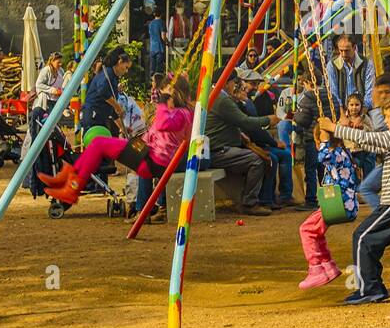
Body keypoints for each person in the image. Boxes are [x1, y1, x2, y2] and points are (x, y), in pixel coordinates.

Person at [323, 92, 390, 305]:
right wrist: (345, 137)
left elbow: (371, 138)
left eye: (388, 116)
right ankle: (374, 287)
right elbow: (372, 145)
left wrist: (334, 128)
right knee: (370, 242)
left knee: (362, 237)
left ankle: (369, 289)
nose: (385, 121)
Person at [205, 68, 279, 216]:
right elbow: (245, 121)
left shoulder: (218, 96)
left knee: (266, 157)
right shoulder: (221, 99)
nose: (236, 85)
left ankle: (262, 199)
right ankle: (249, 202)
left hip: (220, 146)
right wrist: (268, 120)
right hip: (219, 150)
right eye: (234, 82)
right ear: (227, 83)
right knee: (257, 160)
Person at [296, 123, 359, 289]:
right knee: (316, 232)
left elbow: (323, 158)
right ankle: (328, 266)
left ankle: (316, 269)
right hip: (343, 203)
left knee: (306, 229)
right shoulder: (343, 151)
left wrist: (323, 140)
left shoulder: (335, 153)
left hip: (339, 203)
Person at [140, 74, 193, 222]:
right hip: (173, 154)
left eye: (167, 90)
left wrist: (163, 106)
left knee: (146, 166)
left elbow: (162, 127)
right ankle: (150, 207)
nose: (163, 94)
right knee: (147, 162)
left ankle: (144, 210)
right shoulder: (178, 110)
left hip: (178, 156)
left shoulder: (180, 113)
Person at [356, 73, 390, 213]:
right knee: (368, 189)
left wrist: (374, 107)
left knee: (367, 189)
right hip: (387, 161)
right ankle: (387, 218)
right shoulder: (382, 109)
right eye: (380, 92)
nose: (383, 96)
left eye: (387, 92)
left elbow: (380, 129)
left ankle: (386, 218)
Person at [290, 73, 321, 210]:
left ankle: (311, 200)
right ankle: (330, 198)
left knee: (310, 169)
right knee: (324, 168)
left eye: (304, 83)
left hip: (311, 137)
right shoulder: (329, 94)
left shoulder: (308, 96)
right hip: (327, 138)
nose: (304, 86)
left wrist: (296, 118)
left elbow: (301, 119)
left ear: (309, 82)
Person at [82, 48, 130, 134]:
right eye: (126, 67)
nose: (126, 71)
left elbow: (111, 107)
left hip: (102, 116)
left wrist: (123, 128)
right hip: (93, 114)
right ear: (120, 62)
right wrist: (118, 106)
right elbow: (102, 91)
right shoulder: (107, 73)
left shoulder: (113, 77)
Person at [326, 34, 374, 112]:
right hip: (341, 111)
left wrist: (360, 115)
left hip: (362, 110)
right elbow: (333, 93)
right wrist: (342, 115)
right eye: (341, 50)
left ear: (354, 48)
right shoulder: (331, 65)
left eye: (347, 50)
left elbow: (370, 94)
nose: (343, 54)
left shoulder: (367, 64)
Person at [146, 9, 166, 77]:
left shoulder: (151, 23)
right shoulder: (162, 23)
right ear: (161, 14)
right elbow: (163, 37)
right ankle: (158, 85)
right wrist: (168, 42)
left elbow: (150, 33)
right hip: (159, 48)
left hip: (152, 48)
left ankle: (152, 84)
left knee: (152, 69)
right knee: (158, 70)